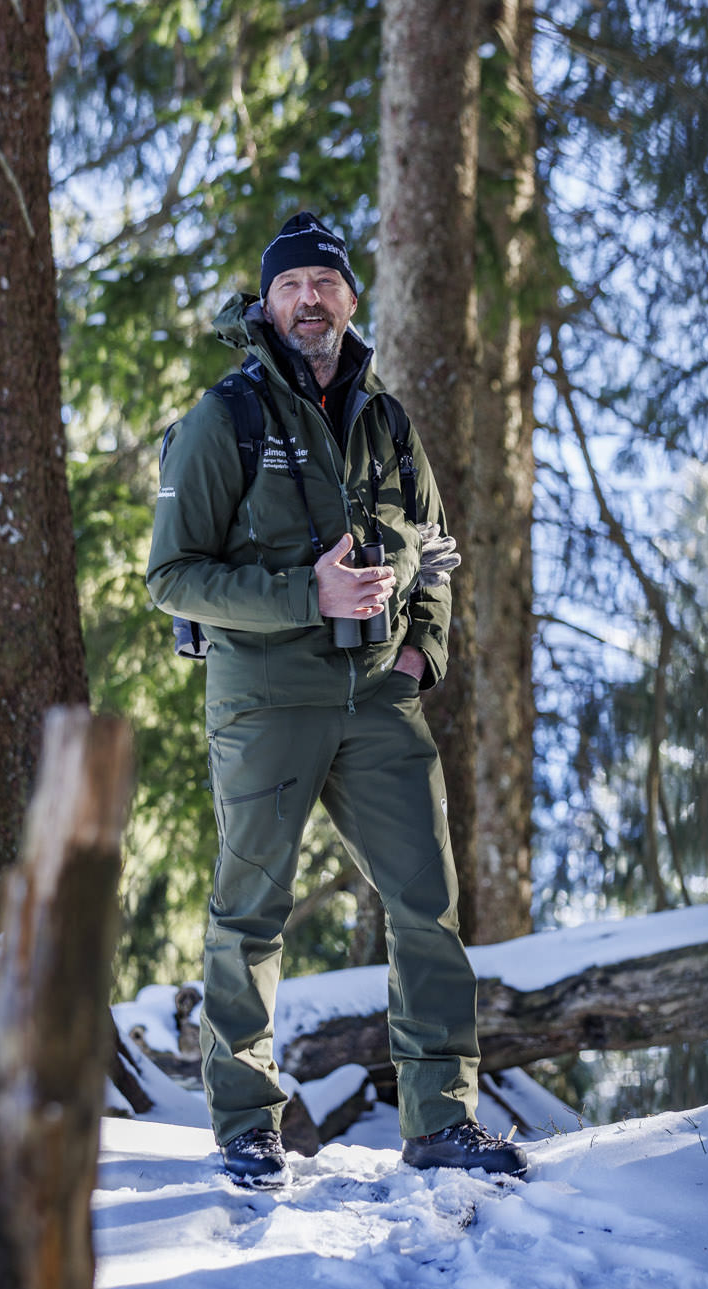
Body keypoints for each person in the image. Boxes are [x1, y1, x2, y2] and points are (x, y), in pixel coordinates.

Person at [145, 211, 527, 1188]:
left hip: (379, 699)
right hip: (266, 699)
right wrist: (302, 595)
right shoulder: (225, 418)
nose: (308, 299)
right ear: (266, 305)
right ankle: (247, 1125)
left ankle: (442, 1119)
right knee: (249, 914)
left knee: (427, 906)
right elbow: (172, 576)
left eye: (324, 282)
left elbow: (434, 550)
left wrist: (422, 653)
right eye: (289, 286)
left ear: (351, 299)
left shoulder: (387, 422)